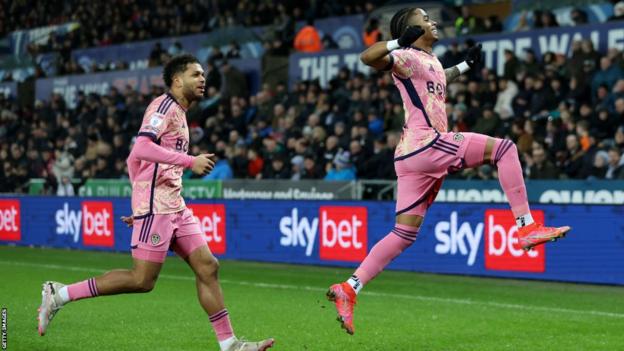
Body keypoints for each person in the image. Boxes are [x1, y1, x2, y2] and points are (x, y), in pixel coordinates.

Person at [326, 7, 571, 335]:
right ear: (412, 29)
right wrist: (398, 41)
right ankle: (526, 227)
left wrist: (466, 66)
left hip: (408, 157)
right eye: (425, 19)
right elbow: (367, 58)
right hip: (427, 144)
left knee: (403, 235)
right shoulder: (406, 56)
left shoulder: (428, 61)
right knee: (504, 149)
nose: (433, 22)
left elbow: (439, 76)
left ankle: (350, 287)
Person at [37, 54, 274, 351]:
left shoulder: (181, 112)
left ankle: (230, 344)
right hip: (157, 207)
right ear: (177, 80)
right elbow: (141, 147)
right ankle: (58, 295)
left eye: (203, 75)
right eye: (195, 74)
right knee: (142, 280)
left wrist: (140, 199)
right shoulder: (163, 106)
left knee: (208, 266)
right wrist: (186, 164)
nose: (203, 79)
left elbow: (132, 159)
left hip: (174, 205)